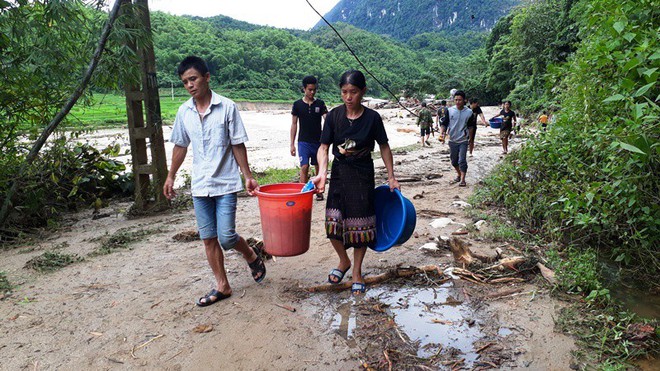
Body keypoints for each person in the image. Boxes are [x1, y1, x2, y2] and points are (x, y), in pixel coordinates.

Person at [163, 56, 266, 307]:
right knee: (208, 238)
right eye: (185, 81)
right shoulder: (184, 111)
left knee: (227, 237)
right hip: (200, 185)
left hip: (226, 183)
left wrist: (248, 176)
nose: (189, 85)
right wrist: (171, 175)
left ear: (207, 78)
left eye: (193, 79)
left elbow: (237, 143)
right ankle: (223, 285)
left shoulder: (227, 107)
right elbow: (180, 145)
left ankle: (251, 255)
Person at [312, 70, 400, 295]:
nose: (348, 97)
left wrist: (391, 176)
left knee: (360, 226)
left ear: (363, 92)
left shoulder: (372, 118)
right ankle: (344, 261)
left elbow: (384, 147)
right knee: (333, 223)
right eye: (344, 92)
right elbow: (323, 147)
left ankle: (357, 272)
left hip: (362, 175)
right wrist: (322, 173)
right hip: (340, 173)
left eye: (353, 92)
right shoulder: (333, 116)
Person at [290, 75, 328, 200]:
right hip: (303, 142)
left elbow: (327, 120)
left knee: (318, 166)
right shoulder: (297, 105)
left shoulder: (320, 104)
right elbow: (294, 124)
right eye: (310, 89)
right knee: (304, 167)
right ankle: (303, 193)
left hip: (318, 142)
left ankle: (319, 191)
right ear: (304, 89)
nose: (312, 92)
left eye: (314, 90)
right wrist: (292, 144)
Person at [439, 90, 473, 187]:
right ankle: (459, 174)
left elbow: (471, 127)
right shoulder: (449, 111)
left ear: (464, 101)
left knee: (462, 160)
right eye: (456, 100)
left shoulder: (469, 112)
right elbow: (444, 124)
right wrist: (442, 133)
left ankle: (463, 179)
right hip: (452, 139)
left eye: (460, 100)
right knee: (454, 161)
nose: (458, 102)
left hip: (463, 140)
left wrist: (470, 139)